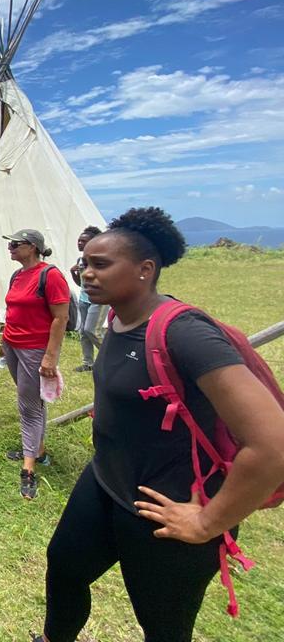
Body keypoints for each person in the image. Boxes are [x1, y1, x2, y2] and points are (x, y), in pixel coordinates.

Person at [34, 207, 284, 642]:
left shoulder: (184, 333)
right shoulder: (118, 315)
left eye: (100, 264)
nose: (86, 273)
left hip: (165, 504)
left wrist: (207, 523)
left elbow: (274, 444)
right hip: (107, 480)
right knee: (65, 569)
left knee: (163, 626)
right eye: (84, 263)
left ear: (145, 270)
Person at [2, 229, 69, 500]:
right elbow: (12, 309)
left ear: (32, 247)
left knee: (28, 406)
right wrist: (5, 339)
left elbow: (61, 318)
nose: (10, 248)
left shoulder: (50, 275)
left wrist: (50, 356)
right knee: (32, 400)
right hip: (12, 344)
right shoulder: (17, 275)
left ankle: (29, 467)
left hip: (34, 349)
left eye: (15, 244)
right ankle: (37, 449)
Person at [70, 226, 105, 372]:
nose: (79, 243)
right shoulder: (80, 260)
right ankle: (88, 363)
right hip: (84, 299)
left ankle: (111, 356)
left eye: (83, 241)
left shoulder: (101, 260)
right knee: (83, 333)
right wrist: (73, 273)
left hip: (99, 299)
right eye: (79, 240)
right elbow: (82, 284)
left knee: (92, 330)